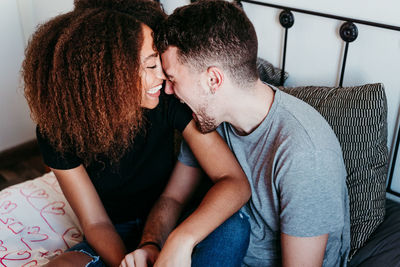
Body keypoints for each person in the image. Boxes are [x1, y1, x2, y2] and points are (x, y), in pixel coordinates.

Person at [22, 0, 251, 266]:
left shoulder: (167, 101)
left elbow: (233, 182)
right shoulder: (58, 130)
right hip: (114, 233)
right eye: (151, 66)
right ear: (107, 73)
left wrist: (175, 241)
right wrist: (131, 262)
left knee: (233, 226)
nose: (164, 77)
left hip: (177, 221)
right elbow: (96, 223)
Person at [144, 0, 350, 266]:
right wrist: (154, 243)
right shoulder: (205, 118)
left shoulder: (305, 154)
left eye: (172, 78)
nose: (169, 91)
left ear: (213, 80)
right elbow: (173, 197)